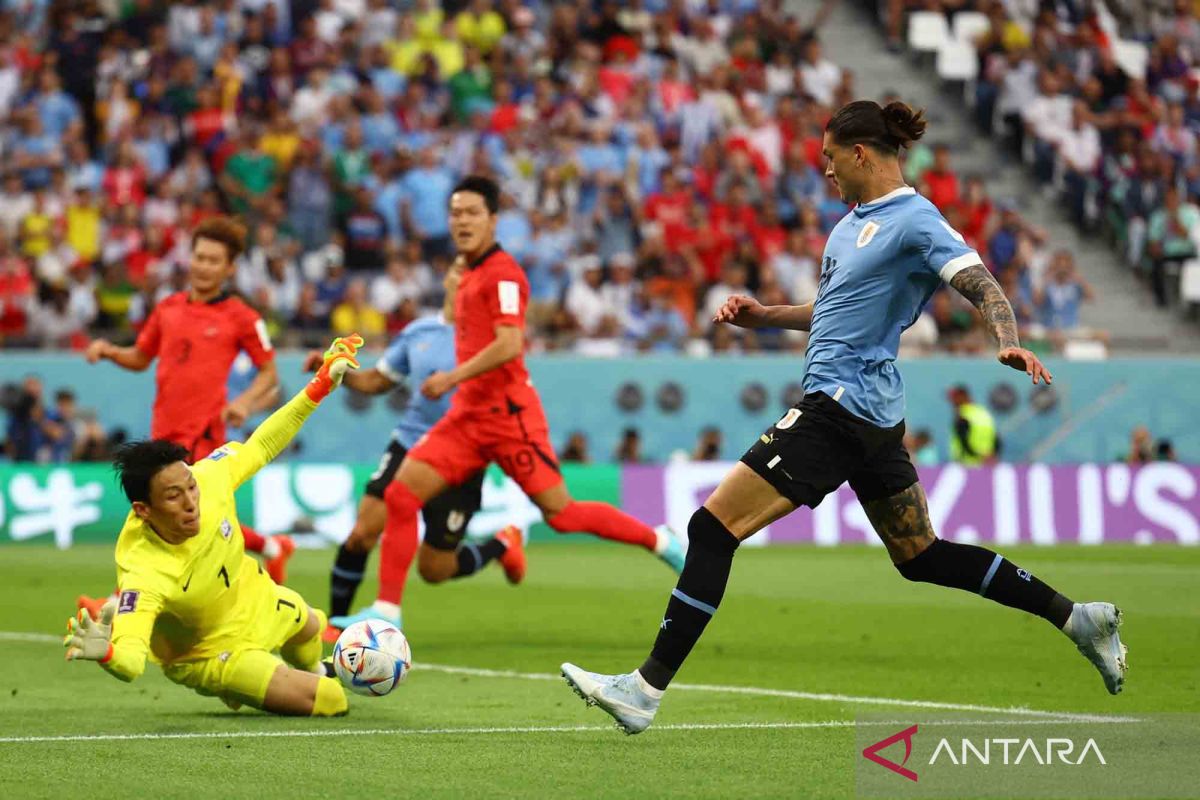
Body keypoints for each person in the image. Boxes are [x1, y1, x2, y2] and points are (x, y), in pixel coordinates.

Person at [561, 100, 1127, 735]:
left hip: (839, 408)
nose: (824, 170)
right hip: (873, 416)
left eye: (830, 158)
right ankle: (1078, 618)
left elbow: (982, 283)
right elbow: (832, 308)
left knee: (711, 529)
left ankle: (644, 689)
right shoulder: (849, 225)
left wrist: (1007, 337)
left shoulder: (916, 220)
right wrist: (764, 316)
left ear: (861, 153)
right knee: (921, 555)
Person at [379, 175, 685, 583]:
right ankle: (386, 612)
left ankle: (658, 540)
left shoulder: (503, 275)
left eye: (472, 213)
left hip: (509, 417)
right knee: (399, 494)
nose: (462, 221)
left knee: (562, 514)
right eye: (455, 214)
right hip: (468, 417)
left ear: (493, 220)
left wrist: (451, 376)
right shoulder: (467, 275)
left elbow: (509, 345)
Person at [62, 335, 364, 717]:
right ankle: (258, 680)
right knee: (331, 701)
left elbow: (264, 444)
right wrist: (107, 653)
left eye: (190, 486)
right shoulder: (144, 571)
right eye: (173, 497)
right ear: (144, 510)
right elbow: (132, 663)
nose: (191, 503)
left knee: (309, 624)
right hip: (208, 651)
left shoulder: (209, 477)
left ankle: (313, 667)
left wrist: (320, 385)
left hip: (250, 596)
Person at [78, 217, 293, 620]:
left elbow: (270, 374)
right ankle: (271, 547)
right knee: (195, 516)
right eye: (199, 257)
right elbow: (141, 358)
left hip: (203, 433)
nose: (204, 266)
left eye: (214, 260)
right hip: (165, 431)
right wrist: (109, 350)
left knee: (161, 513)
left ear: (230, 268)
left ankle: (116, 603)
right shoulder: (168, 308)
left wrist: (244, 404)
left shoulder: (241, 316)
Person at [314, 264, 524, 638]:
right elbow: (378, 381)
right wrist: (338, 372)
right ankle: (334, 623)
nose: (467, 280)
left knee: (434, 569)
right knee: (363, 531)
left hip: (463, 457)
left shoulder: (491, 339)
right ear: (447, 278)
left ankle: (502, 544)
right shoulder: (419, 333)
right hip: (411, 443)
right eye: (461, 272)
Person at [946, 384, 998, 466]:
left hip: (965, 464)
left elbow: (963, 439)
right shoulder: (983, 412)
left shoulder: (963, 414)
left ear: (962, 396)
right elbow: (996, 437)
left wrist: (974, 455)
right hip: (986, 463)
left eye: (954, 397)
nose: (952, 401)